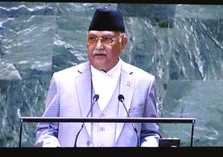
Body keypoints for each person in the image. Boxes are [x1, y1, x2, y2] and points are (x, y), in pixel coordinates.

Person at [36, 8, 159, 148]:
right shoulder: (62, 80)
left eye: (107, 39)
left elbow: (150, 134)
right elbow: (46, 130)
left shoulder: (143, 82)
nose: (98, 46)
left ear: (123, 42)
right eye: (92, 39)